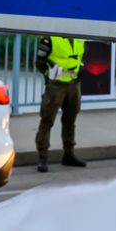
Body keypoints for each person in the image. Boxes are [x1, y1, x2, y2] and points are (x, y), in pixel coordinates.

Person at [33, 34, 88, 172]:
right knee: (47, 120)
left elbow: (83, 56)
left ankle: (69, 155)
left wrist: (81, 68)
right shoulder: (49, 39)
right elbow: (39, 62)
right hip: (55, 85)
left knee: (70, 120)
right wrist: (49, 76)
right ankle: (43, 157)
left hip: (74, 85)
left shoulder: (80, 37)